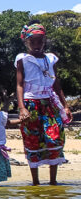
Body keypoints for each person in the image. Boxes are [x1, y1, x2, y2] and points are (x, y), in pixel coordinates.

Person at [15, 21, 70, 185]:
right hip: (31, 104)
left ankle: (53, 181)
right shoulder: (22, 59)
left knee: (54, 138)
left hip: (50, 104)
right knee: (32, 140)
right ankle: (36, 182)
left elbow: (56, 84)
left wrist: (65, 105)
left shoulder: (51, 59)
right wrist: (22, 107)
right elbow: (19, 85)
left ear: (44, 41)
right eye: (33, 41)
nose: (37, 44)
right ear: (27, 42)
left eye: (40, 41)